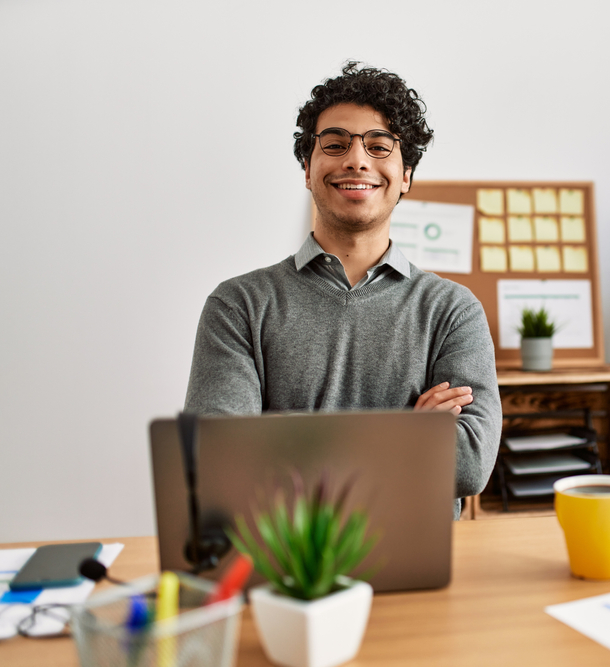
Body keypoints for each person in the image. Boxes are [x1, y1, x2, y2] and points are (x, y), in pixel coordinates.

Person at [184, 63, 502, 518]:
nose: (357, 160)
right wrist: (412, 435)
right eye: (335, 144)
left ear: (405, 174)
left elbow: (469, 464)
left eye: (378, 146)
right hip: (284, 571)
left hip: (418, 567)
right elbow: (220, 459)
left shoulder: (452, 310)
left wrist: (278, 435)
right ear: (308, 170)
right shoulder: (238, 306)